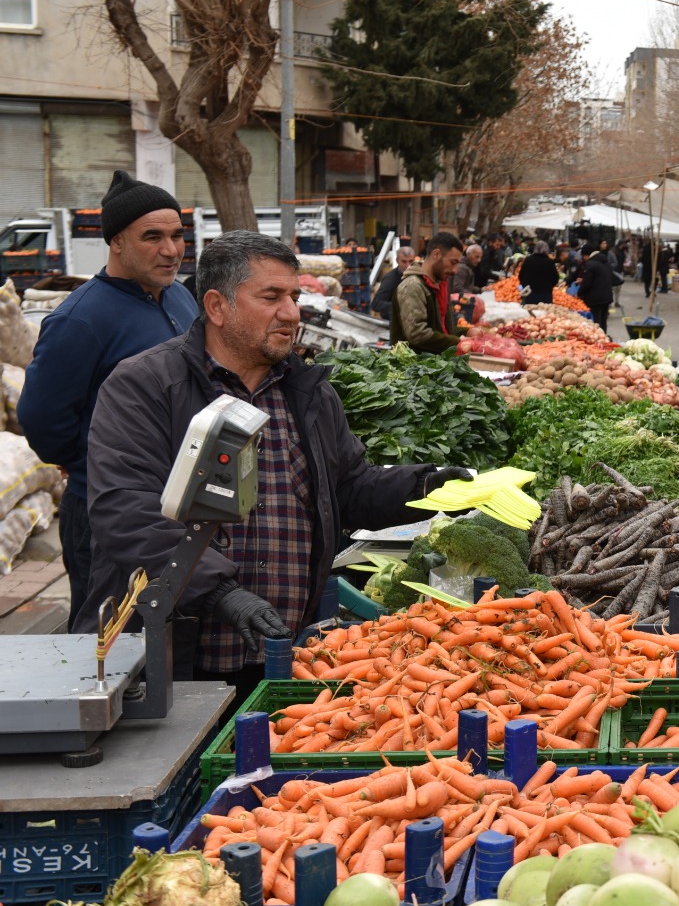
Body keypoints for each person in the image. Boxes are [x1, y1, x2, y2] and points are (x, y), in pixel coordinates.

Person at [78, 232, 470, 696]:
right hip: (177, 660)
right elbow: (125, 511)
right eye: (272, 297)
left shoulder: (308, 392)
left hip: (284, 656)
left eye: (294, 297)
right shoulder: (145, 386)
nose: (291, 313)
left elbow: (348, 488)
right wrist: (219, 592)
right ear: (217, 306)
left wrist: (427, 488)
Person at [18, 170, 201, 629]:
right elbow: (41, 418)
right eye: (152, 237)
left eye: (177, 235)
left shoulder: (179, 298)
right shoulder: (80, 320)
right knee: (107, 637)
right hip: (108, 511)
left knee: (171, 633)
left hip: (177, 502)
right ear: (116, 241)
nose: (171, 250)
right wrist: (90, 463)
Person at [391, 232, 464, 353]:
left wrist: (467, 333)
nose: (455, 270)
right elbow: (417, 334)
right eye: (453, 262)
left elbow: (443, 329)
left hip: (437, 362)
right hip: (415, 364)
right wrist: (458, 342)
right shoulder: (413, 286)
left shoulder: (439, 285)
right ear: (436, 254)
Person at [369, 244, 416, 320]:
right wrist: (400, 306)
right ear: (397, 261)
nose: (408, 266)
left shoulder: (418, 275)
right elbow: (376, 304)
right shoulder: (390, 279)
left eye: (411, 261)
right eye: (404, 261)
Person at [577, 243, 614, 333]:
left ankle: (598, 339)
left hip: (595, 299)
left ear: (586, 255)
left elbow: (587, 283)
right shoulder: (606, 262)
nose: (583, 259)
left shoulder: (590, 264)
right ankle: (604, 338)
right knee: (603, 322)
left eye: (583, 256)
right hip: (607, 297)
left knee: (595, 322)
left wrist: (579, 293)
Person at [519, 240, 560, 306]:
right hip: (545, 294)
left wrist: (525, 285)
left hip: (530, 293)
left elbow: (521, 276)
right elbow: (555, 278)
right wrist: (549, 286)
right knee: (544, 311)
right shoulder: (550, 262)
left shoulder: (528, 260)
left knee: (530, 310)